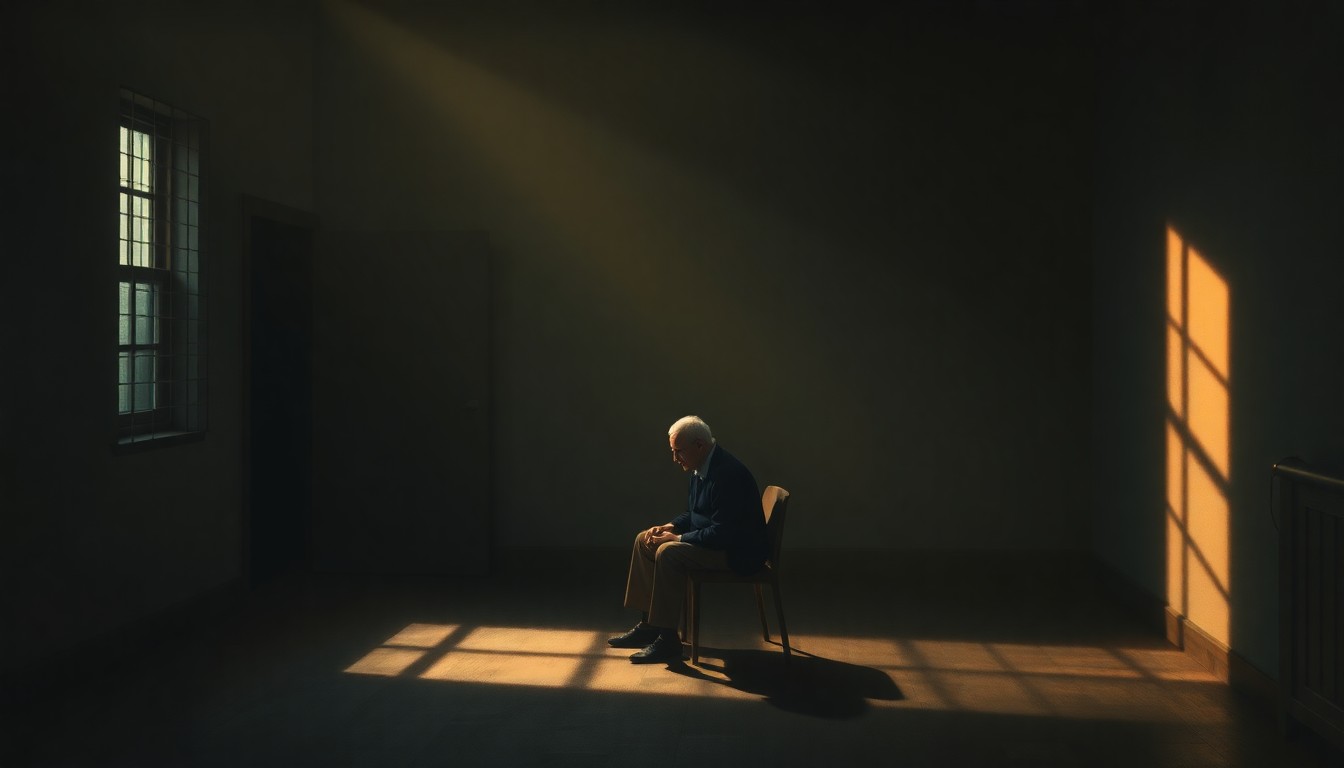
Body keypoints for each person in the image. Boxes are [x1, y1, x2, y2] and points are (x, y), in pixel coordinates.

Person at [609, 415, 767, 663]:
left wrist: (678, 538)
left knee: (668, 552)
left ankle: (668, 641)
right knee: (645, 540)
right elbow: (696, 514)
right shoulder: (701, 466)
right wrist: (668, 526)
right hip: (718, 543)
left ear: (699, 446)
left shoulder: (727, 475)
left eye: (678, 452)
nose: (675, 459)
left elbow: (722, 533)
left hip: (737, 553)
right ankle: (649, 625)